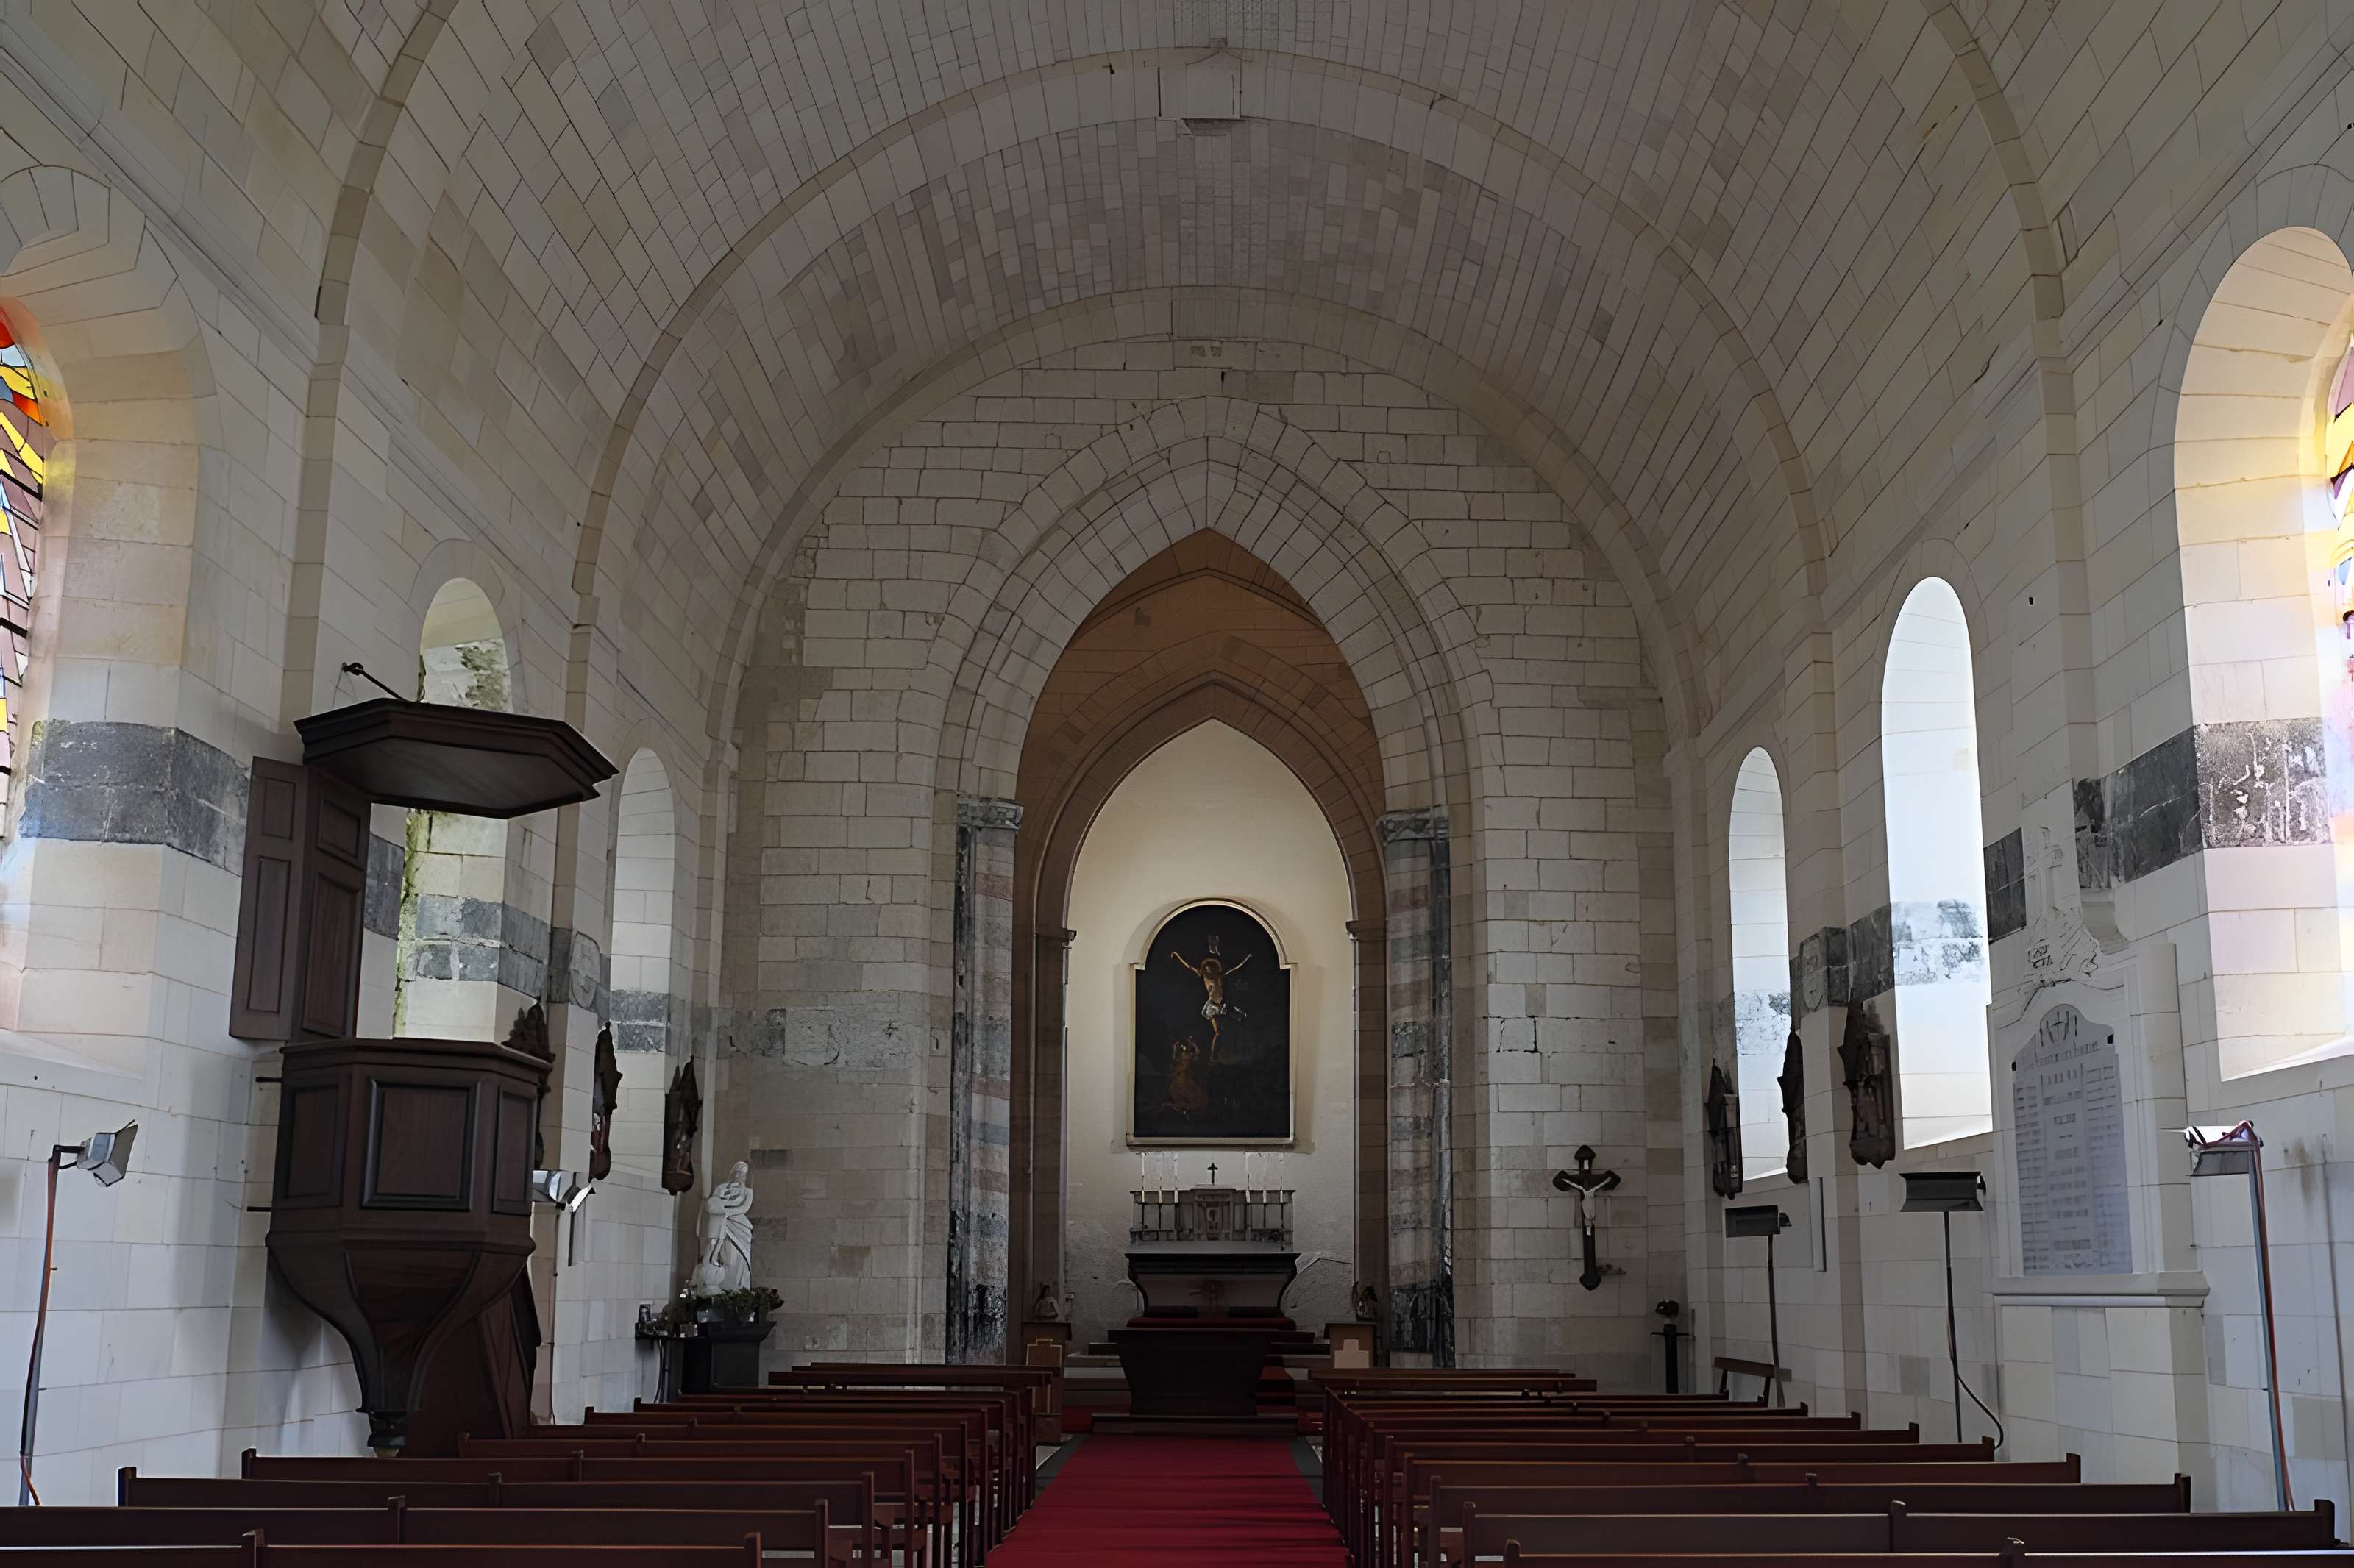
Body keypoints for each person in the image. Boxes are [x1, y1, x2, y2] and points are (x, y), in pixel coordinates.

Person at [1170, 933, 1251, 1061]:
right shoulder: (1203, 976)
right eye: (1207, 968)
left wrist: (1246, 959)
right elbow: (1189, 966)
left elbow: (1235, 968)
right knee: (1218, 1032)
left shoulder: (1220, 976)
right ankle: (1213, 1056)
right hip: (1212, 1006)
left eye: (1210, 967)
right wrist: (1177, 955)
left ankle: (1217, 1054)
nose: (1208, 969)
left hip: (1221, 1004)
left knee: (1224, 1030)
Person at [691, 1160, 754, 1294]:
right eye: (738, 1172)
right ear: (734, 1173)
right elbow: (712, 1204)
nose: (740, 1176)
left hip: (739, 1225)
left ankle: (737, 1285)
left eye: (744, 1174)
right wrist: (722, 1211)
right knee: (717, 1244)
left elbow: (744, 1207)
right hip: (719, 1220)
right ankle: (712, 1261)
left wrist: (727, 1212)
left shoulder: (748, 1191)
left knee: (736, 1257)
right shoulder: (721, 1188)